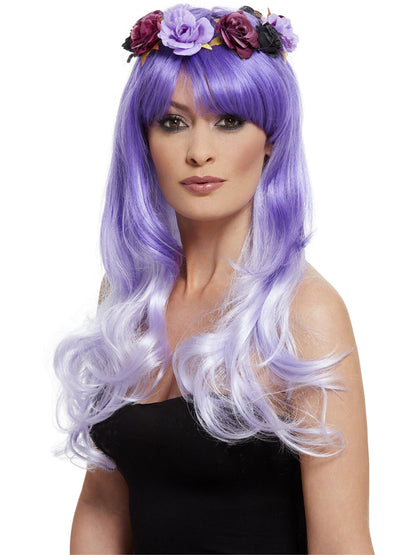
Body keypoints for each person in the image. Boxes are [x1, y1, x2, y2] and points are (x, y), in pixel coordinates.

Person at [54, 4, 374, 554]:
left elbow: (342, 544)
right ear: (143, 140)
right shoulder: (129, 298)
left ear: (270, 138)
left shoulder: (303, 312)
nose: (199, 152)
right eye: (173, 122)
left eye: (229, 121)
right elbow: (103, 506)